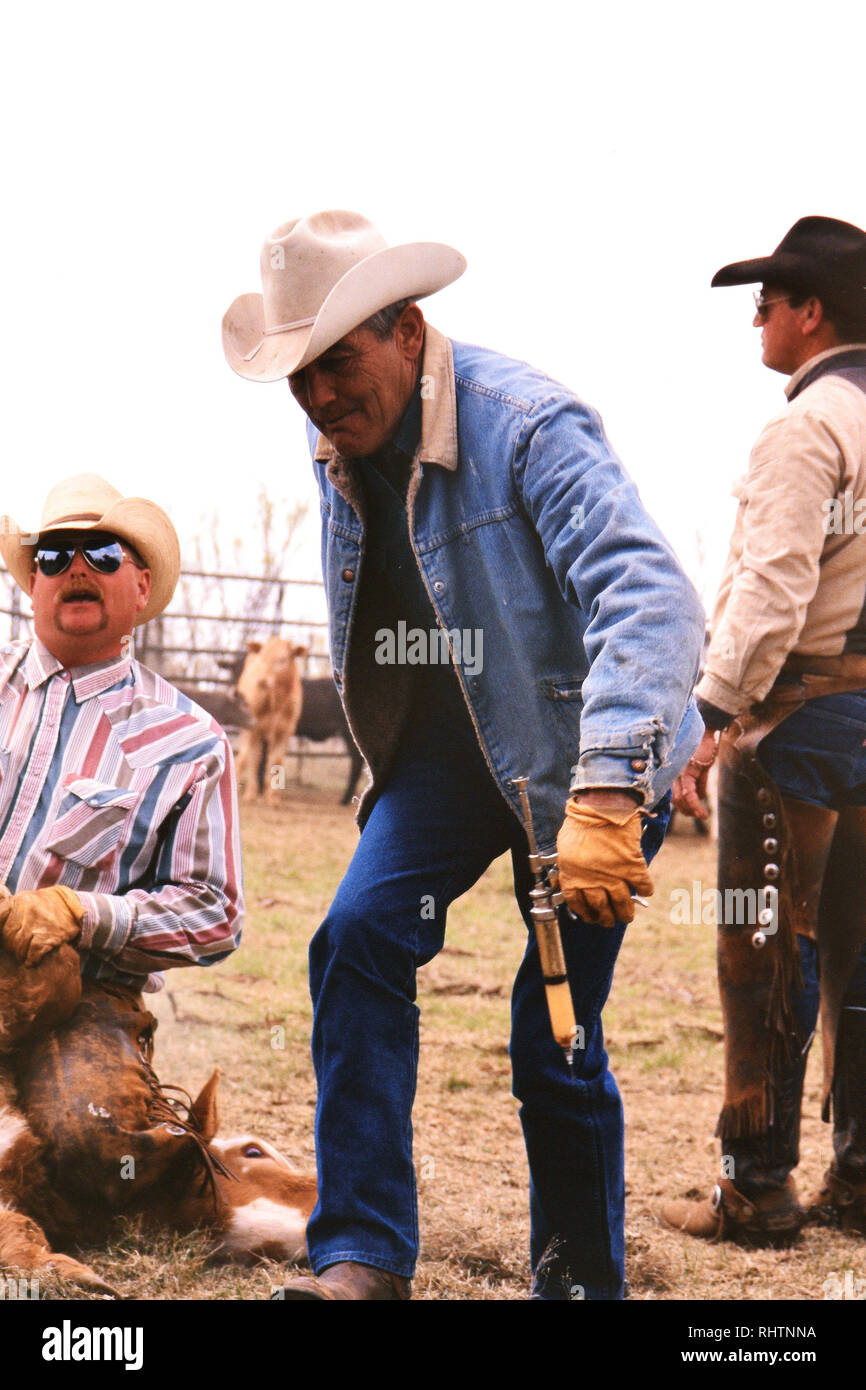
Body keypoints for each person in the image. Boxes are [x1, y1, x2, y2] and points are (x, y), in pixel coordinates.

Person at [222, 210, 704, 1299]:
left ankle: (578, 1283)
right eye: (298, 378)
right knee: (353, 938)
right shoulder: (336, 435)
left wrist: (607, 788)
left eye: (335, 364)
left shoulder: (528, 424)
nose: (319, 397)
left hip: (586, 753)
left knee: (553, 1033)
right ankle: (360, 1255)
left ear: (407, 329)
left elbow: (652, 596)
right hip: (448, 753)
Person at [662, 217, 866, 1243]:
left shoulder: (807, 425)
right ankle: (861, 1179)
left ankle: (756, 1185)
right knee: (863, 957)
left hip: (799, 722)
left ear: (810, 312)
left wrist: (707, 715)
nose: (755, 318)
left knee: (761, 946)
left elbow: (774, 584)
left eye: (766, 301)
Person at [0, 473, 244, 1209]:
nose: (75, 565)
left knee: (98, 1148)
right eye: (54, 552)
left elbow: (216, 913)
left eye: (103, 552)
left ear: (140, 587)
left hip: (88, 991)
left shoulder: (190, 742)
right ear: (31, 581)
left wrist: (85, 913)